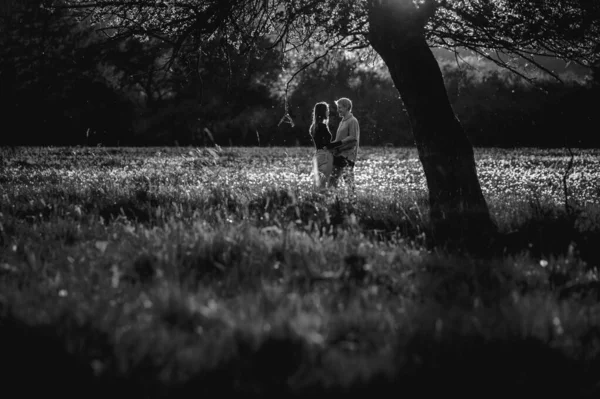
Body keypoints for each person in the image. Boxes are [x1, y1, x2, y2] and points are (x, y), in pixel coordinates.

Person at [326, 97, 359, 200]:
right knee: (332, 179)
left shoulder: (352, 121)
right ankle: (331, 201)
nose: (338, 110)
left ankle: (353, 203)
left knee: (348, 181)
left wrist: (339, 144)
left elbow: (353, 138)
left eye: (340, 108)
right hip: (338, 154)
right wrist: (331, 146)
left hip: (347, 156)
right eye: (338, 107)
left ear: (347, 107)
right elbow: (339, 139)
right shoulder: (342, 121)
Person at [309, 101, 334, 189]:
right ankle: (322, 201)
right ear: (323, 112)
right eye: (327, 110)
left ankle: (315, 201)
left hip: (317, 156)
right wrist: (343, 142)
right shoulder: (322, 126)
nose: (328, 112)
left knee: (318, 184)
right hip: (324, 156)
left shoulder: (313, 127)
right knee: (323, 185)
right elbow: (327, 145)